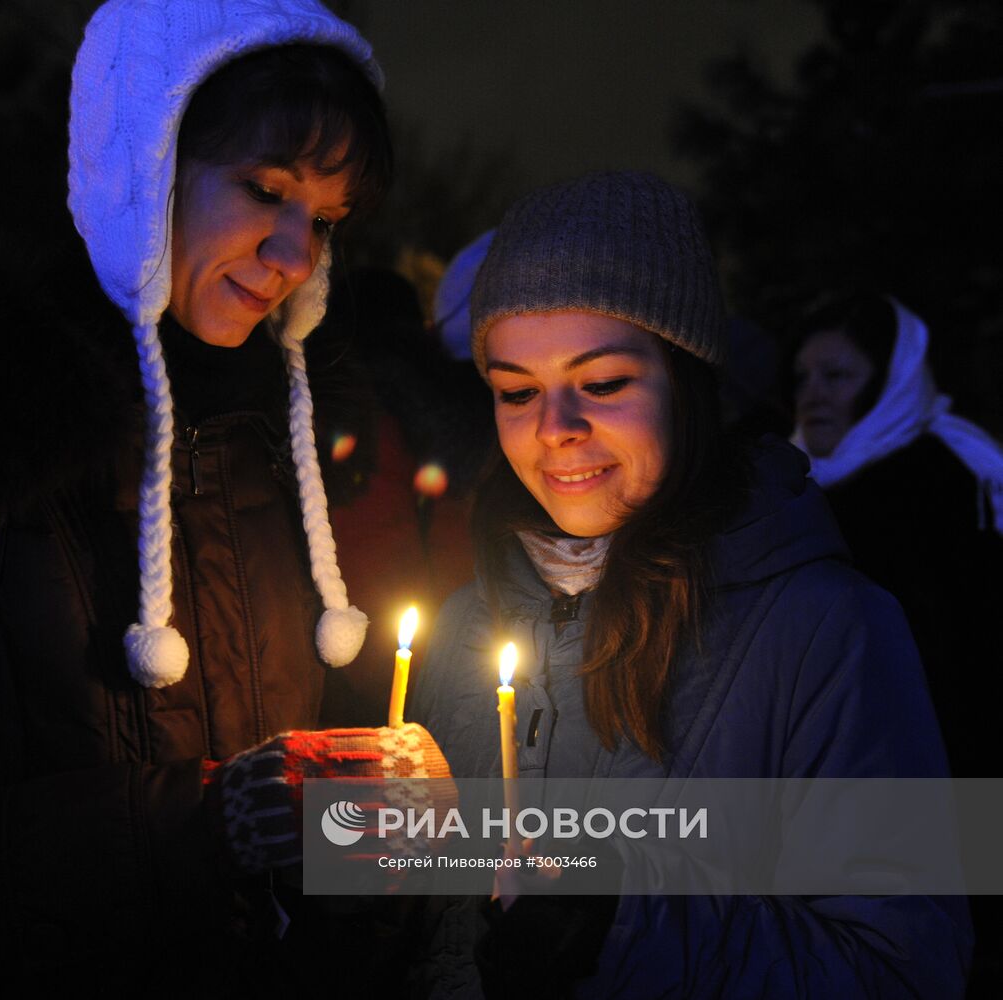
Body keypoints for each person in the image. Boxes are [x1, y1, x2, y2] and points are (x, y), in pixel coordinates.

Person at [0, 1, 451, 995]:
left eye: (327, 219)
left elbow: (331, 836)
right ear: (143, 167)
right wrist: (200, 821)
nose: (297, 254)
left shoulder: (298, 450)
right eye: (265, 190)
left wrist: (389, 838)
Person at [412, 171, 969, 998]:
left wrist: (622, 925)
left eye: (602, 384)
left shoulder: (826, 629)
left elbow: (905, 968)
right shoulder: (462, 625)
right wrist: (324, 865)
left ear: (686, 380)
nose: (556, 429)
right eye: (516, 391)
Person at [791, 293, 1003, 777]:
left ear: (894, 381)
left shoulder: (938, 485)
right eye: (803, 378)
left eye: (837, 376)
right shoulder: (790, 482)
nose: (812, 394)